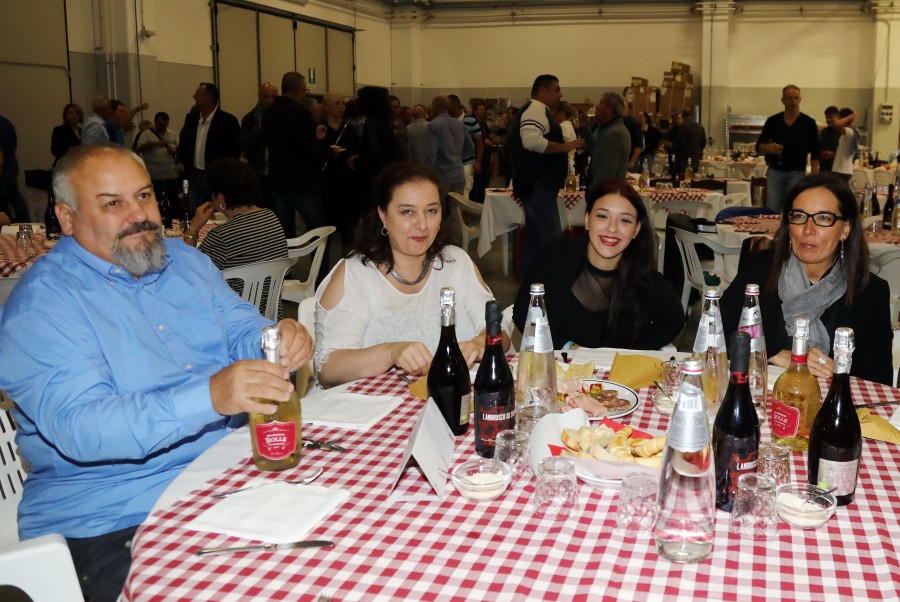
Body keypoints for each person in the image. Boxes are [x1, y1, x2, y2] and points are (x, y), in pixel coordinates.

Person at [0, 143, 313, 602]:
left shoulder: (186, 262)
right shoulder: (42, 306)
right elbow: (83, 429)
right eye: (112, 203)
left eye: (144, 196)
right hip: (113, 518)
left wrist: (276, 338)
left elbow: (240, 327)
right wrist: (210, 396)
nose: (138, 215)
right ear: (66, 218)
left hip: (221, 480)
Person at [314, 162, 504, 388]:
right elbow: (328, 368)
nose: (422, 224)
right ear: (383, 215)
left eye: (431, 211)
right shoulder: (355, 274)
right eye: (407, 212)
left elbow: (500, 331)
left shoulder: (456, 262)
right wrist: (390, 352)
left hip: (452, 401)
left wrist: (480, 344)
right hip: (375, 405)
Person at [721, 174, 893, 386]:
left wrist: (838, 376)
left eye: (823, 218)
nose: (808, 230)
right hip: (761, 395)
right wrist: (772, 354)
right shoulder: (760, 268)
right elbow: (718, 332)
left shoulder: (870, 292)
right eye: (799, 216)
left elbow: (878, 380)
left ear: (845, 229)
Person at [513, 180, 684, 350]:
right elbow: (523, 313)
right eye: (602, 216)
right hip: (560, 364)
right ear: (587, 220)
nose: (612, 228)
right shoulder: (557, 255)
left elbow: (674, 321)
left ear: (636, 230)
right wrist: (568, 347)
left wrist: (629, 351)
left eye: (625, 220)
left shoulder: (644, 278)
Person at [509, 74, 583, 276]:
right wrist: (564, 147)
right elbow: (531, 141)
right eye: (556, 89)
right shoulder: (536, 109)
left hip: (537, 185)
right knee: (551, 237)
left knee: (534, 239)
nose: (560, 94)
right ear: (543, 91)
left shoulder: (537, 110)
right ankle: (551, 284)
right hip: (538, 186)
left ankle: (531, 283)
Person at [182, 157, 287, 271]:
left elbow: (188, 268)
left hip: (235, 284)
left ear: (221, 198)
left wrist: (194, 227)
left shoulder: (221, 236)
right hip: (273, 282)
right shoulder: (271, 217)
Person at [756, 85, 820, 211]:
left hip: (797, 172)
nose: (793, 102)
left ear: (800, 99)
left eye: (796, 98)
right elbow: (759, 146)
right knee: (772, 208)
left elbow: (815, 150)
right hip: (775, 171)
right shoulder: (773, 121)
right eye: (789, 98)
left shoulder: (808, 122)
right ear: (783, 100)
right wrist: (769, 148)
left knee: (793, 208)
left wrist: (814, 174)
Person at [176, 82, 241, 207]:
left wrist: (226, 171)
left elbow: (235, 149)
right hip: (193, 176)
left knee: (218, 211)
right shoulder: (191, 118)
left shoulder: (227, 121)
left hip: (217, 177)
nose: (194, 96)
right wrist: (180, 160)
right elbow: (183, 142)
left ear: (208, 98)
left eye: (198, 94)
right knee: (194, 210)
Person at [320, 91, 361, 250]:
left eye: (343, 103)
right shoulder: (320, 128)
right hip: (326, 184)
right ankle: (322, 264)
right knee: (325, 229)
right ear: (326, 107)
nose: (341, 106)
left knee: (349, 230)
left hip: (347, 183)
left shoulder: (349, 128)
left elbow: (357, 150)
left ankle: (349, 261)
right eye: (337, 103)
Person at [240, 82, 279, 209]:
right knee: (261, 207)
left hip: (278, 172)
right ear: (259, 96)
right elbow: (244, 144)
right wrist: (262, 130)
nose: (270, 100)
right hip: (258, 172)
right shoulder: (250, 118)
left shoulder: (283, 116)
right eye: (266, 96)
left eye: (273, 96)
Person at [587, 92, 630, 195]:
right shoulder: (608, 129)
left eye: (600, 104)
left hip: (606, 193)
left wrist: (594, 192)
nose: (597, 107)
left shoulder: (615, 134)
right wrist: (584, 129)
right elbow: (596, 150)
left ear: (609, 109)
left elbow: (607, 171)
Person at [136, 111, 179, 201]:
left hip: (171, 174)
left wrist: (174, 151)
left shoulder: (172, 134)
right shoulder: (146, 133)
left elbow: (180, 149)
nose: (162, 127)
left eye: (165, 125)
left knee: (173, 200)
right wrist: (155, 144)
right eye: (160, 125)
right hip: (154, 175)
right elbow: (139, 148)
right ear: (155, 122)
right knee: (156, 200)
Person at [449, 94, 483, 199]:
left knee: (464, 194)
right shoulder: (447, 120)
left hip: (466, 163)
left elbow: (479, 143)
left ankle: (463, 210)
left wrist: (478, 162)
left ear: (454, 105)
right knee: (452, 195)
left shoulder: (470, 121)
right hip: (450, 164)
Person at [0, 113, 29, 222]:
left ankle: (6, 225)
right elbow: (14, 144)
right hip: (11, 163)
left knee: (4, 198)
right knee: (14, 196)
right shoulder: (7, 123)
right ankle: (25, 222)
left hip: (5, 165)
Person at [635, 110, 662, 174]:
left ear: (645, 118)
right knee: (636, 172)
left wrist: (657, 149)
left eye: (641, 116)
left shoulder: (652, 128)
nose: (638, 118)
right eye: (638, 116)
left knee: (648, 172)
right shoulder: (636, 128)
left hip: (649, 154)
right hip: (638, 154)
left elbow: (661, 138)